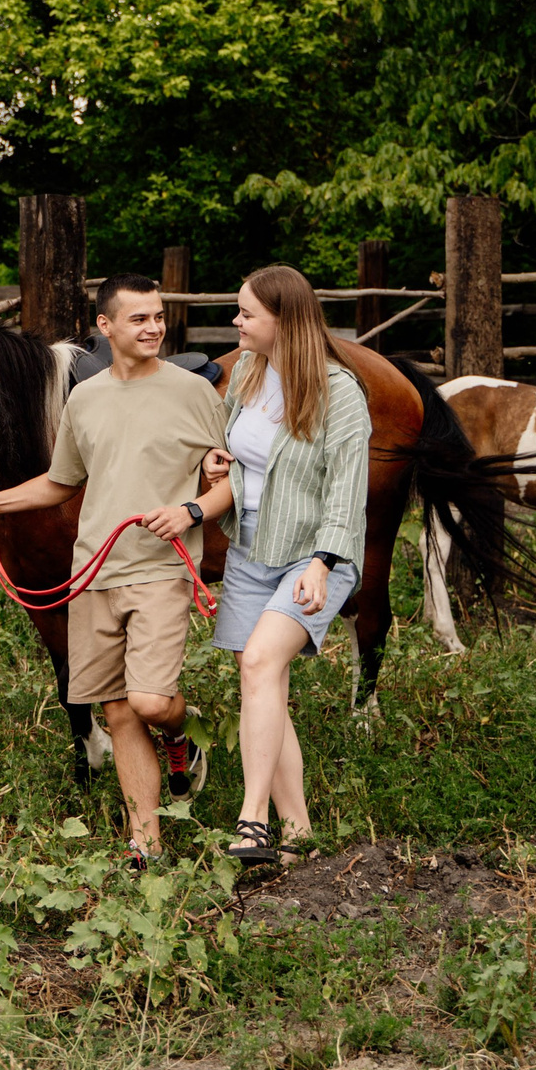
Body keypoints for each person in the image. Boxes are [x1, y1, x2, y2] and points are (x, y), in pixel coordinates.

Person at [0, 275, 232, 865]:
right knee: (117, 709)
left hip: (159, 569)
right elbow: (60, 482)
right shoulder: (84, 400)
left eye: (158, 316)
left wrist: (191, 510)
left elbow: (232, 479)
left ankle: (182, 730)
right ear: (105, 326)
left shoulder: (193, 393)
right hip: (94, 575)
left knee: (150, 702)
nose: (154, 328)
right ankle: (145, 842)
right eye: (139, 318)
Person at [204, 265, 373, 865]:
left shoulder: (338, 392)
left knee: (259, 662)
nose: (236, 321)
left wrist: (323, 563)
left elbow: (347, 492)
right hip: (251, 548)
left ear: (285, 319)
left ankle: (252, 821)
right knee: (263, 681)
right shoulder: (248, 373)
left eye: (247, 313)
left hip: (314, 554)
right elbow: (237, 452)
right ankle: (299, 833)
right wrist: (217, 460)